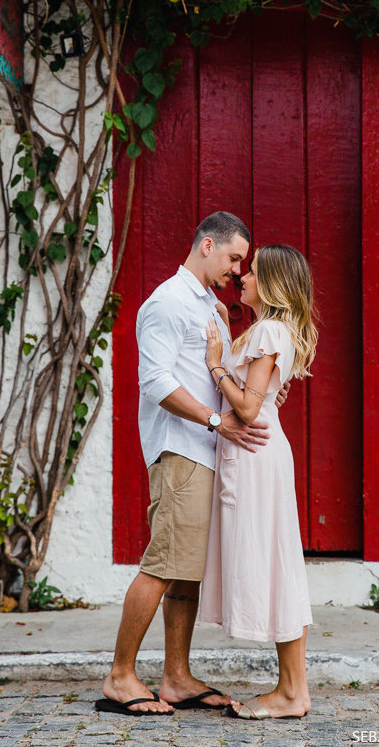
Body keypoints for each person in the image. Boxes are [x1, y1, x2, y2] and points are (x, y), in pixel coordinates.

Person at [97, 212, 288, 718]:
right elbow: (155, 383)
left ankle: (176, 677)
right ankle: (120, 676)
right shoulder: (168, 302)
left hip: (206, 451)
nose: (237, 268)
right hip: (181, 448)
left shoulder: (209, 307)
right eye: (232, 257)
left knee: (186, 572)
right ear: (207, 245)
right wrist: (214, 421)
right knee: (163, 565)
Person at [200, 244, 318, 720]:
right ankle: (292, 689)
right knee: (279, 561)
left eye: (250, 272)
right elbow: (259, 396)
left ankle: (292, 692)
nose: (241, 277)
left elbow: (247, 409)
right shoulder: (269, 330)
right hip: (255, 453)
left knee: (276, 564)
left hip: (254, 454)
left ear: (270, 283)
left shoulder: (268, 328)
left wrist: (214, 364)